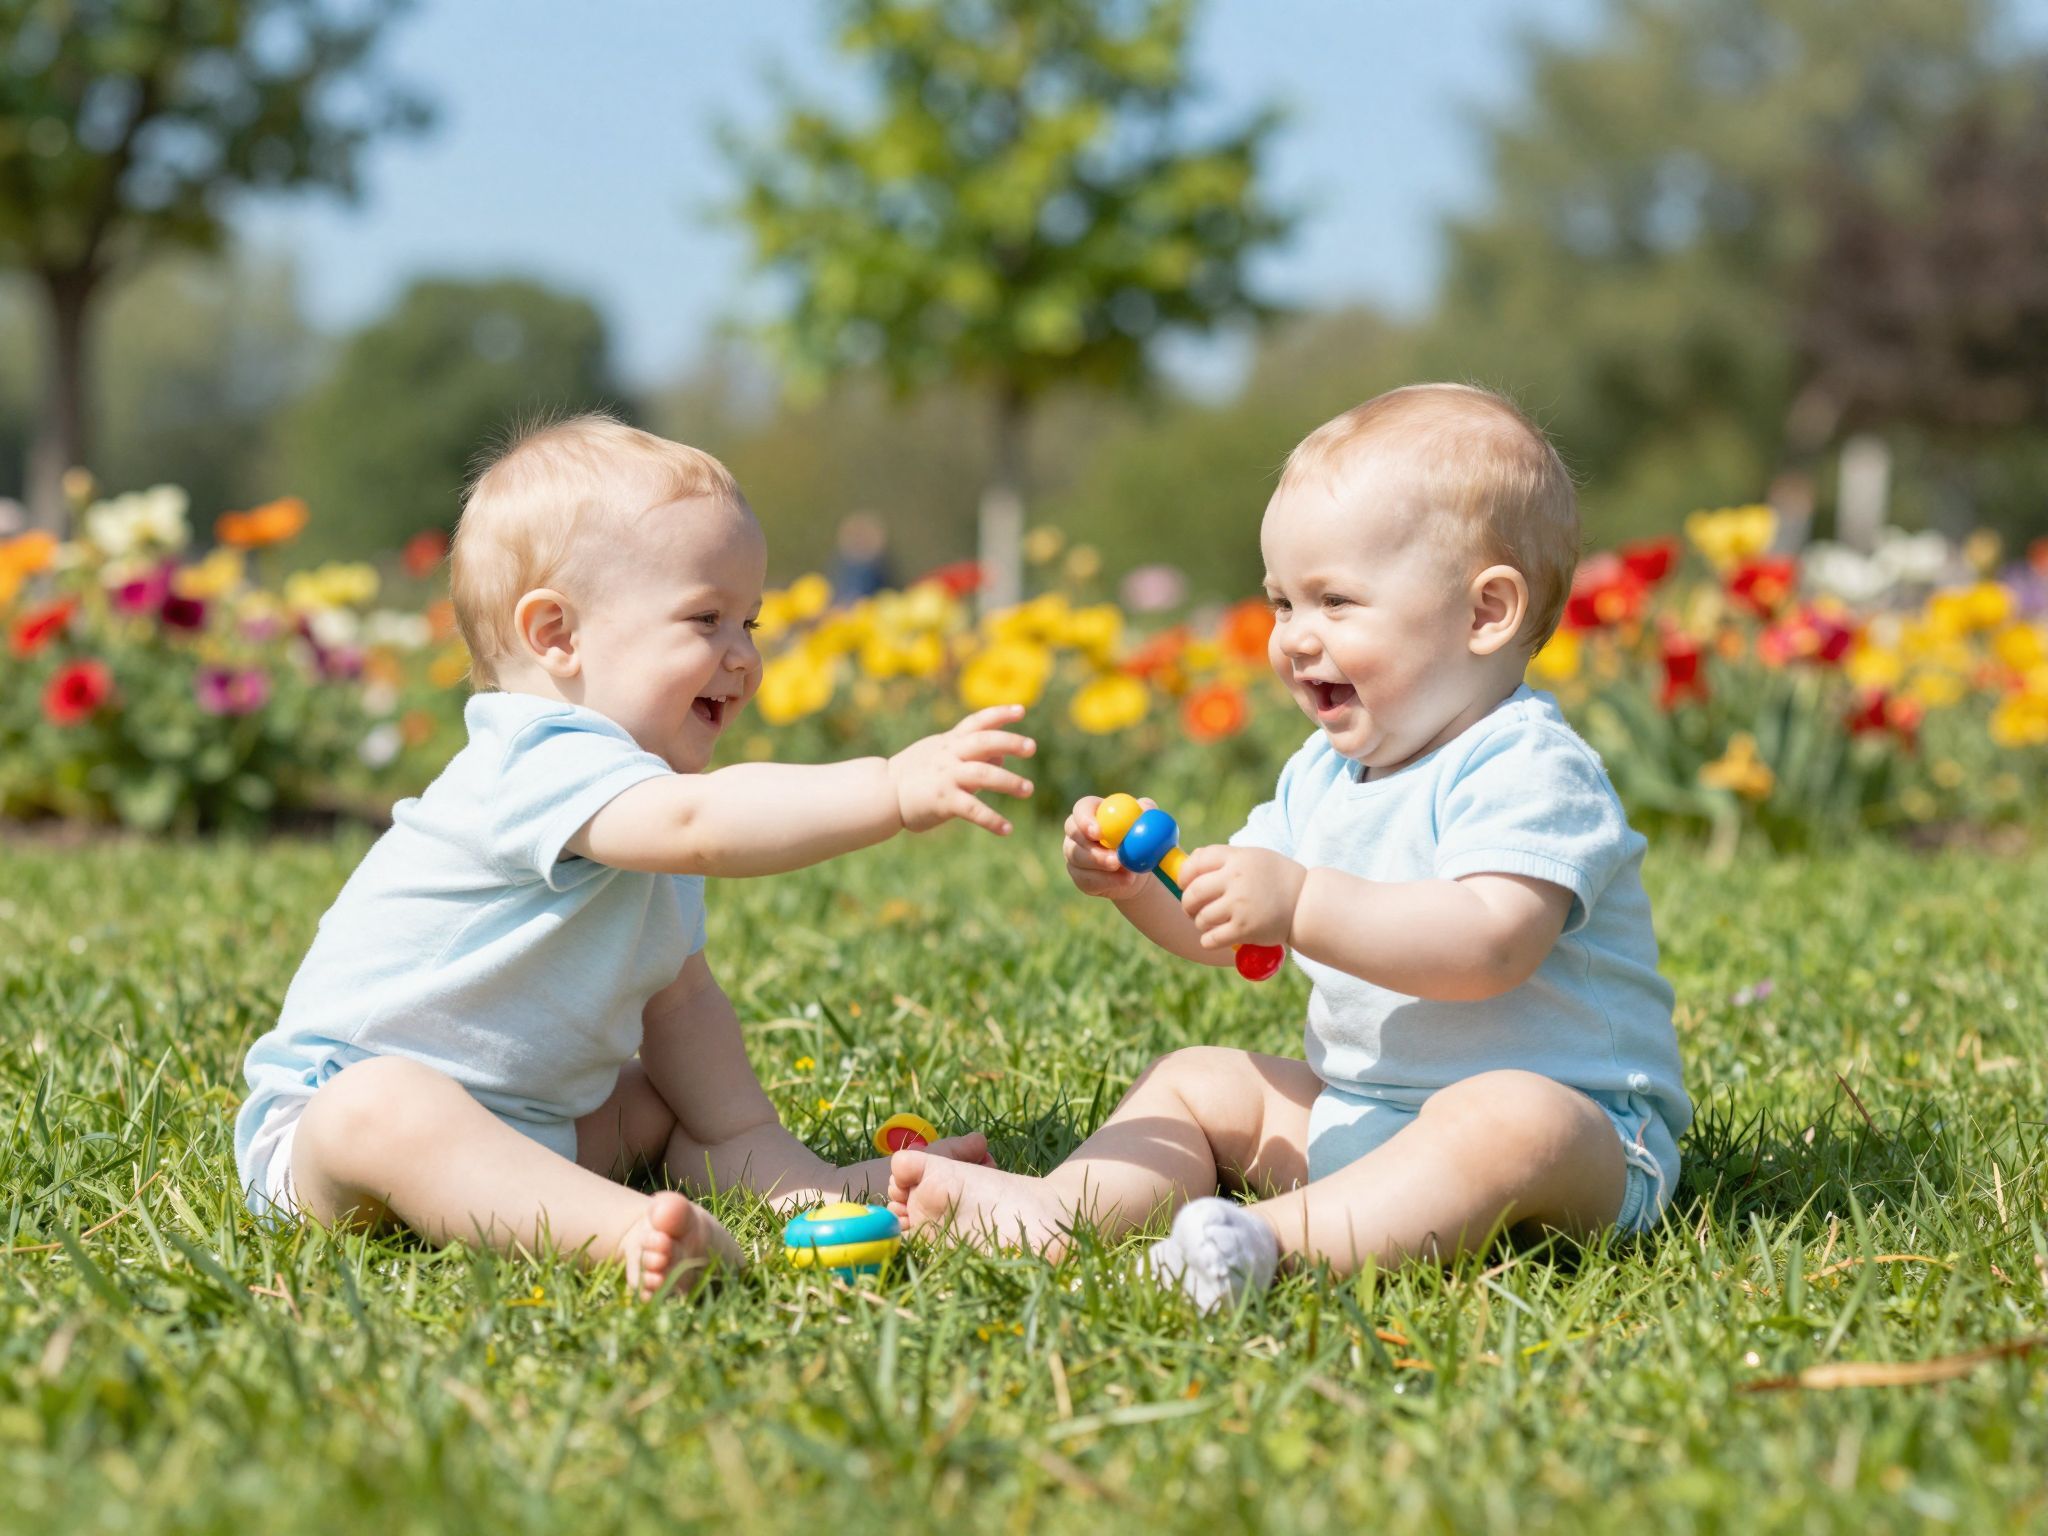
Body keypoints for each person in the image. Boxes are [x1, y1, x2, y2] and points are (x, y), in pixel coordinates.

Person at [889, 384, 1689, 1310]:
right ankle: (1060, 1212)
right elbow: (1230, 932)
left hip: (1580, 1140)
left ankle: (1260, 1245)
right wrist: (1142, 886)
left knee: (1509, 1117)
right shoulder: (1322, 772)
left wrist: (1303, 900)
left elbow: (1491, 943)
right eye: (1281, 602)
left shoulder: (1528, 764)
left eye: (1335, 601)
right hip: (1364, 1111)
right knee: (1193, 1080)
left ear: (1485, 614)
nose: (1295, 639)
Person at [234, 415, 1035, 1298]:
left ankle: (790, 1192)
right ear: (557, 634)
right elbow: (701, 823)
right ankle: (621, 1233)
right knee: (382, 1104)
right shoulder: (534, 757)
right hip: (334, 1134)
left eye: (750, 622)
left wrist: (785, 1162)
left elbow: (683, 1007)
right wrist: (888, 787)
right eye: (706, 618)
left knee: (668, 1099)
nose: (744, 657)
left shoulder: (642, 801)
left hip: (531, 1130)